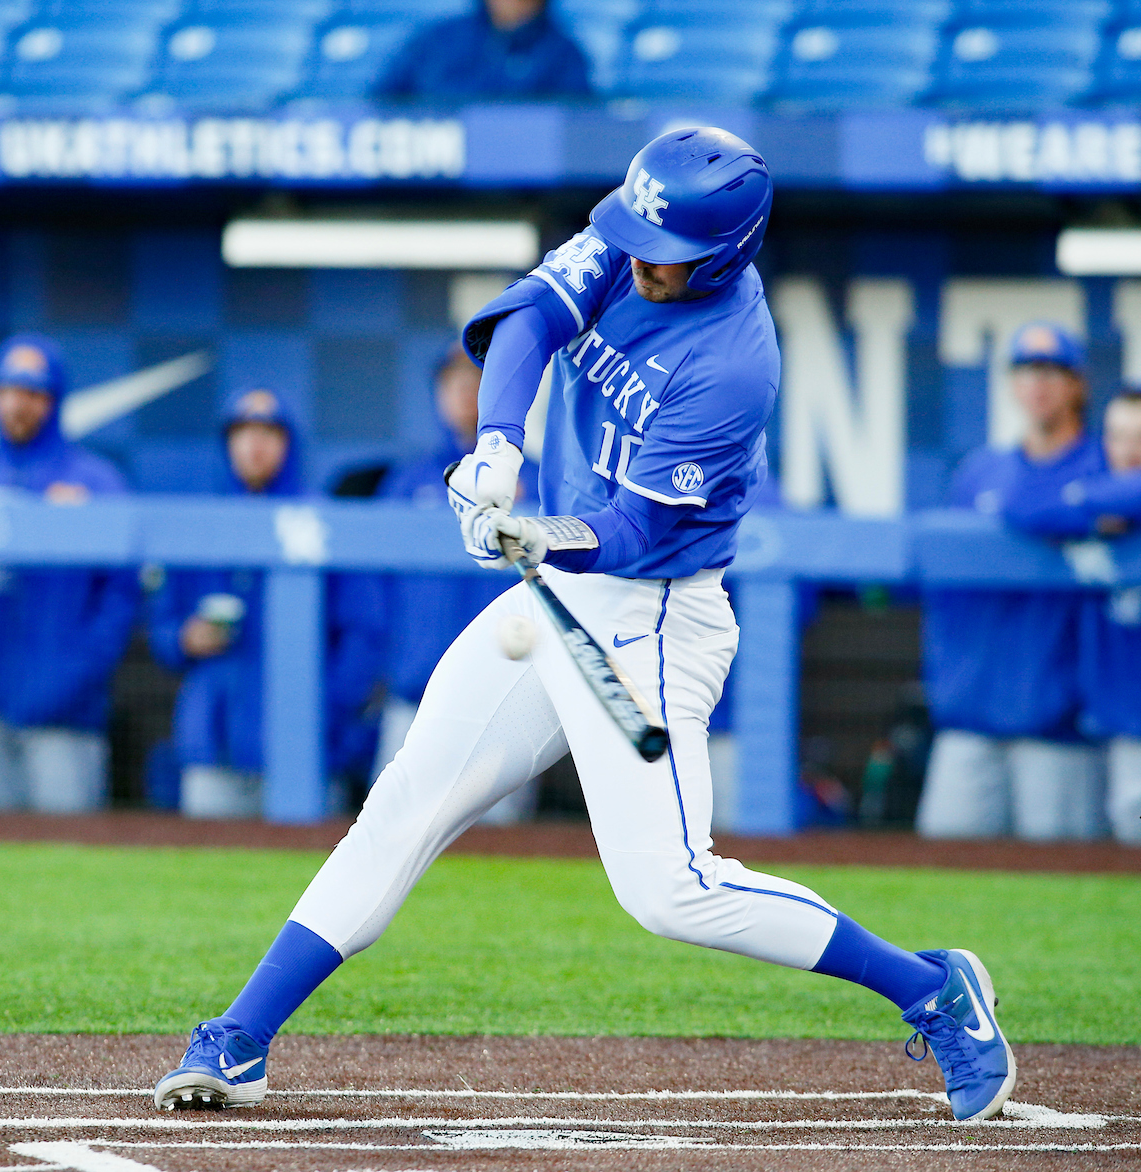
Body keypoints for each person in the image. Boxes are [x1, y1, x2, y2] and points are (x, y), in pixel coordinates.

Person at [153, 128, 1016, 1124]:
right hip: (556, 601)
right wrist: (496, 449)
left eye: (666, 252)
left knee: (671, 890)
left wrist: (540, 535)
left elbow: (637, 530)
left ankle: (932, 986)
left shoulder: (733, 365)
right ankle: (241, 1035)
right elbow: (527, 320)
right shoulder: (632, 235)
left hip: (654, 614)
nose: (640, 260)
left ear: (725, 253)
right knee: (403, 806)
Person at [916, 322, 1106, 842]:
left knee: (1063, 873)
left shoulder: (1101, 467)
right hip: (970, 716)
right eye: (1026, 370)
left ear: (1077, 384)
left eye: (1052, 371)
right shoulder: (981, 472)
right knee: (945, 865)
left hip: (1059, 726)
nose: (1038, 383)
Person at [0, 334, 138, 813]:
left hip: (64, 713)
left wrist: (76, 674)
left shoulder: (95, 481)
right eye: (6, 391)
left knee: (68, 845)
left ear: (55, 400)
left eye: (32, 393)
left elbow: (122, 595)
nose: (17, 405)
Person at [360, 344, 541, 822]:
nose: (463, 391)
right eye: (451, 381)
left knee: (500, 848)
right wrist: (386, 667)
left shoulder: (540, 479)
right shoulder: (407, 482)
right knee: (392, 830)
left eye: (476, 379)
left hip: (505, 701)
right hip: (413, 696)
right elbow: (371, 593)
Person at [149, 388, 317, 819]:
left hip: (301, 739)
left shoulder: (317, 519)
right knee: (208, 851)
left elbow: (360, 633)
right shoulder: (200, 523)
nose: (254, 444)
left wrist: (326, 708)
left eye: (268, 433)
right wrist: (184, 639)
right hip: (213, 732)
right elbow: (162, 625)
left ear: (288, 443)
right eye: (242, 432)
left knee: (307, 856)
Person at [1001, 389, 1141, 843]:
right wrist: (1095, 513)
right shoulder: (1099, 502)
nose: (1130, 450)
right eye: (1119, 437)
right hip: (1108, 720)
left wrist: (1090, 500)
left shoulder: (1102, 494)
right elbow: (1022, 505)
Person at [375, 0, 591, 99]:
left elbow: (575, 129)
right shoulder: (438, 40)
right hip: (431, 170)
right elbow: (380, 102)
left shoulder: (565, 55)